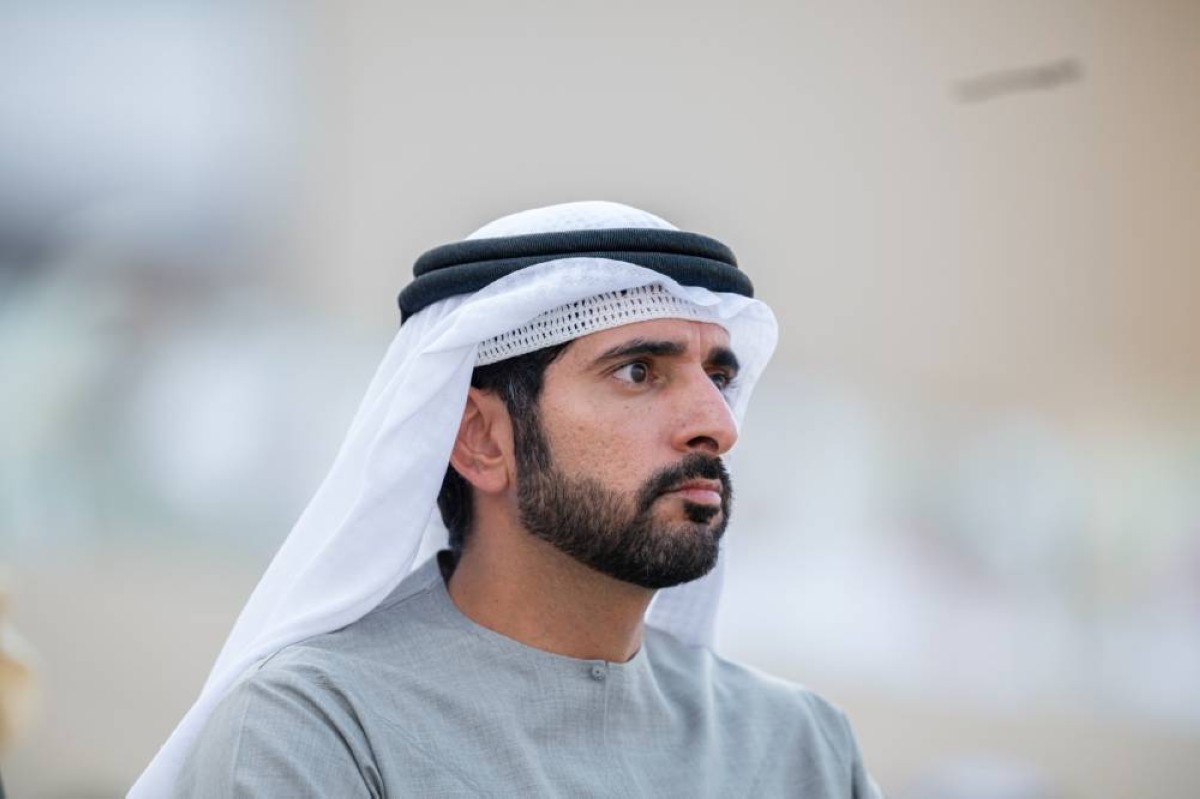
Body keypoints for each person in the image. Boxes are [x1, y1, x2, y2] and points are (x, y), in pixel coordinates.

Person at [133, 201, 881, 797]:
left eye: (718, 377)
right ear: (482, 439)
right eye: (638, 372)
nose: (718, 424)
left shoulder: (801, 747)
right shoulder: (319, 727)